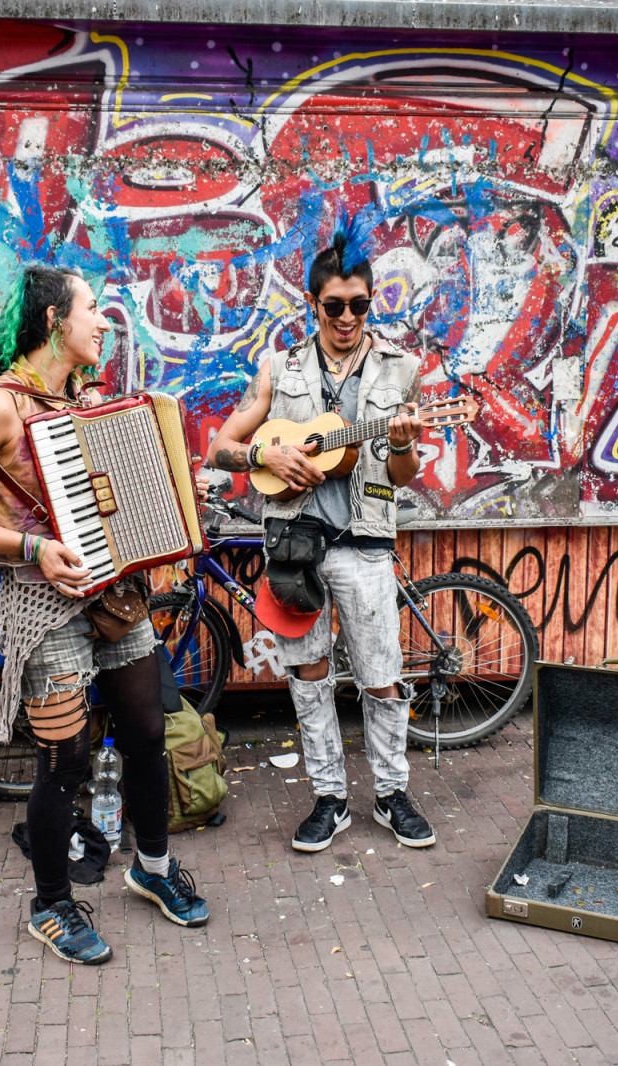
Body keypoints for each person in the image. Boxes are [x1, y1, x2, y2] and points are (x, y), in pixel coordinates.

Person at [0, 263, 208, 965]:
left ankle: (153, 869)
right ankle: (50, 906)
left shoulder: (84, 398)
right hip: (41, 605)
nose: (105, 323)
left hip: (116, 594)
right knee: (65, 758)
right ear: (55, 320)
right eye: (93, 310)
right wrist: (32, 547)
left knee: (146, 730)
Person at [202, 232, 436, 852]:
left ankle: (391, 794)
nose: (349, 319)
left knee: (381, 676)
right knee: (308, 675)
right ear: (312, 303)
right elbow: (220, 447)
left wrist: (406, 440)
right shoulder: (279, 371)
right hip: (296, 547)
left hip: (365, 544)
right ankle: (329, 798)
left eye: (360, 305)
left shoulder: (401, 370)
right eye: (335, 306)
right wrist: (265, 452)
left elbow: (405, 472)